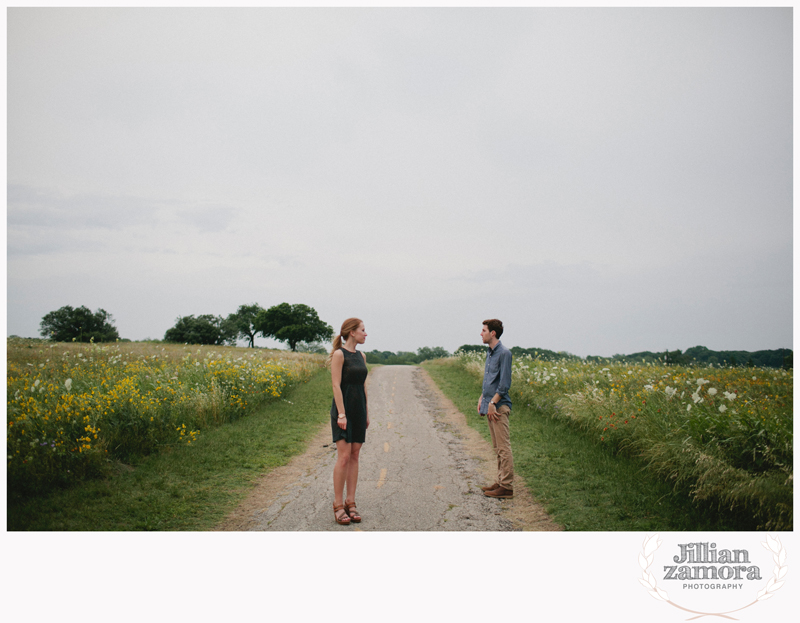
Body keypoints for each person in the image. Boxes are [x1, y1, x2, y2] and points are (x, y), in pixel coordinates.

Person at [329, 318, 370, 525]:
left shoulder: (362, 356)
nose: (366, 334)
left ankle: (351, 502)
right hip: (342, 411)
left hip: (359, 411)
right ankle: (338, 505)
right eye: (363, 330)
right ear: (352, 332)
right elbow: (336, 386)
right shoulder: (339, 354)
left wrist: (367, 414)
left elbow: (363, 387)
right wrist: (342, 414)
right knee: (344, 457)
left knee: (355, 456)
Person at [476, 318, 514, 498]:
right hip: (491, 406)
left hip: (499, 407)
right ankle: (500, 481)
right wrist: (483, 398)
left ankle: (506, 487)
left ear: (493, 333)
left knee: (504, 447)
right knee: (497, 447)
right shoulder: (490, 353)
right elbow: (490, 380)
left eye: (484, 330)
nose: (481, 333)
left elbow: (504, 384)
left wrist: (492, 403)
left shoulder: (504, 353)